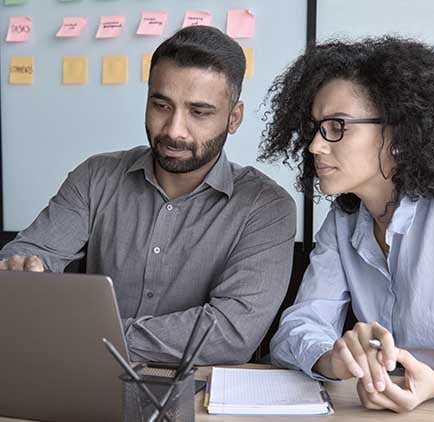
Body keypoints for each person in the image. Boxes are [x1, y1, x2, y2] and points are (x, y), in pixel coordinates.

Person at [0, 26, 296, 365]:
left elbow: (230, 335)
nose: (173, 130)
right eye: (161, 105)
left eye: (199, 112)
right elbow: (29, 253)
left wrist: (85, 334)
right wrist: (22, 269)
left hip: (200, 397)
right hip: (85, 374)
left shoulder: (265, 207)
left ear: (234, 118)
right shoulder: (96, 176)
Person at [259, 36, 434, 412]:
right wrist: (334, 360)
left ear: (399, 134)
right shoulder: (344, 220)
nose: (315, 147)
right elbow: (296, 329)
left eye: (337, 126)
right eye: (315, 128)